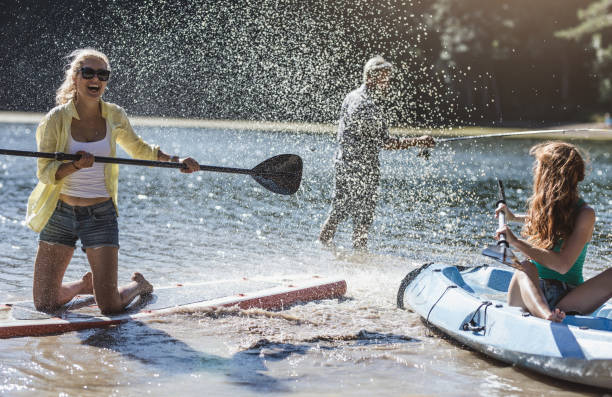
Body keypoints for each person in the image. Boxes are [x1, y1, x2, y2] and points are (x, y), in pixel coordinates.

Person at [26, 48, 200, 314]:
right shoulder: (56, 119)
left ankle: (138, 285)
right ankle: (85, 285)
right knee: (45, 303)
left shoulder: (115, 115)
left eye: (102, 74)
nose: (96, 79)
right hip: (59, 213)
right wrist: (74, 165)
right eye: (88, 73)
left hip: (100, 215)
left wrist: (176, 161)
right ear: (75, 78)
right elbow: (45, 172)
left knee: (111, 306)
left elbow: (140, 150)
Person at [319, 55, 436, 251]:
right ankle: (358, 257)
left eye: (388, 77)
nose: (387, 81)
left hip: (346, 163)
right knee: (361, 217)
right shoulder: (366, 104)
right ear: (371, 77)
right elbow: (386, 143)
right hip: (359, 168)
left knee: (339, 212)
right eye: (384, 76)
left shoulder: (353, 96)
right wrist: (419, 141)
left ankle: (327, 251)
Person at [495, 141, 611, 322]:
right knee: (526, 267)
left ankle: (555, 315)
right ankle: (547, 316)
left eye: (540, 167)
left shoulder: (585, 214)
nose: (536, 171)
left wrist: (516, 242)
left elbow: (562, 266)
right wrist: (511, 217)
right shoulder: (545, 208)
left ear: (551, 176)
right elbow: (546, 220)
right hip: (532, 294)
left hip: (568, 300)